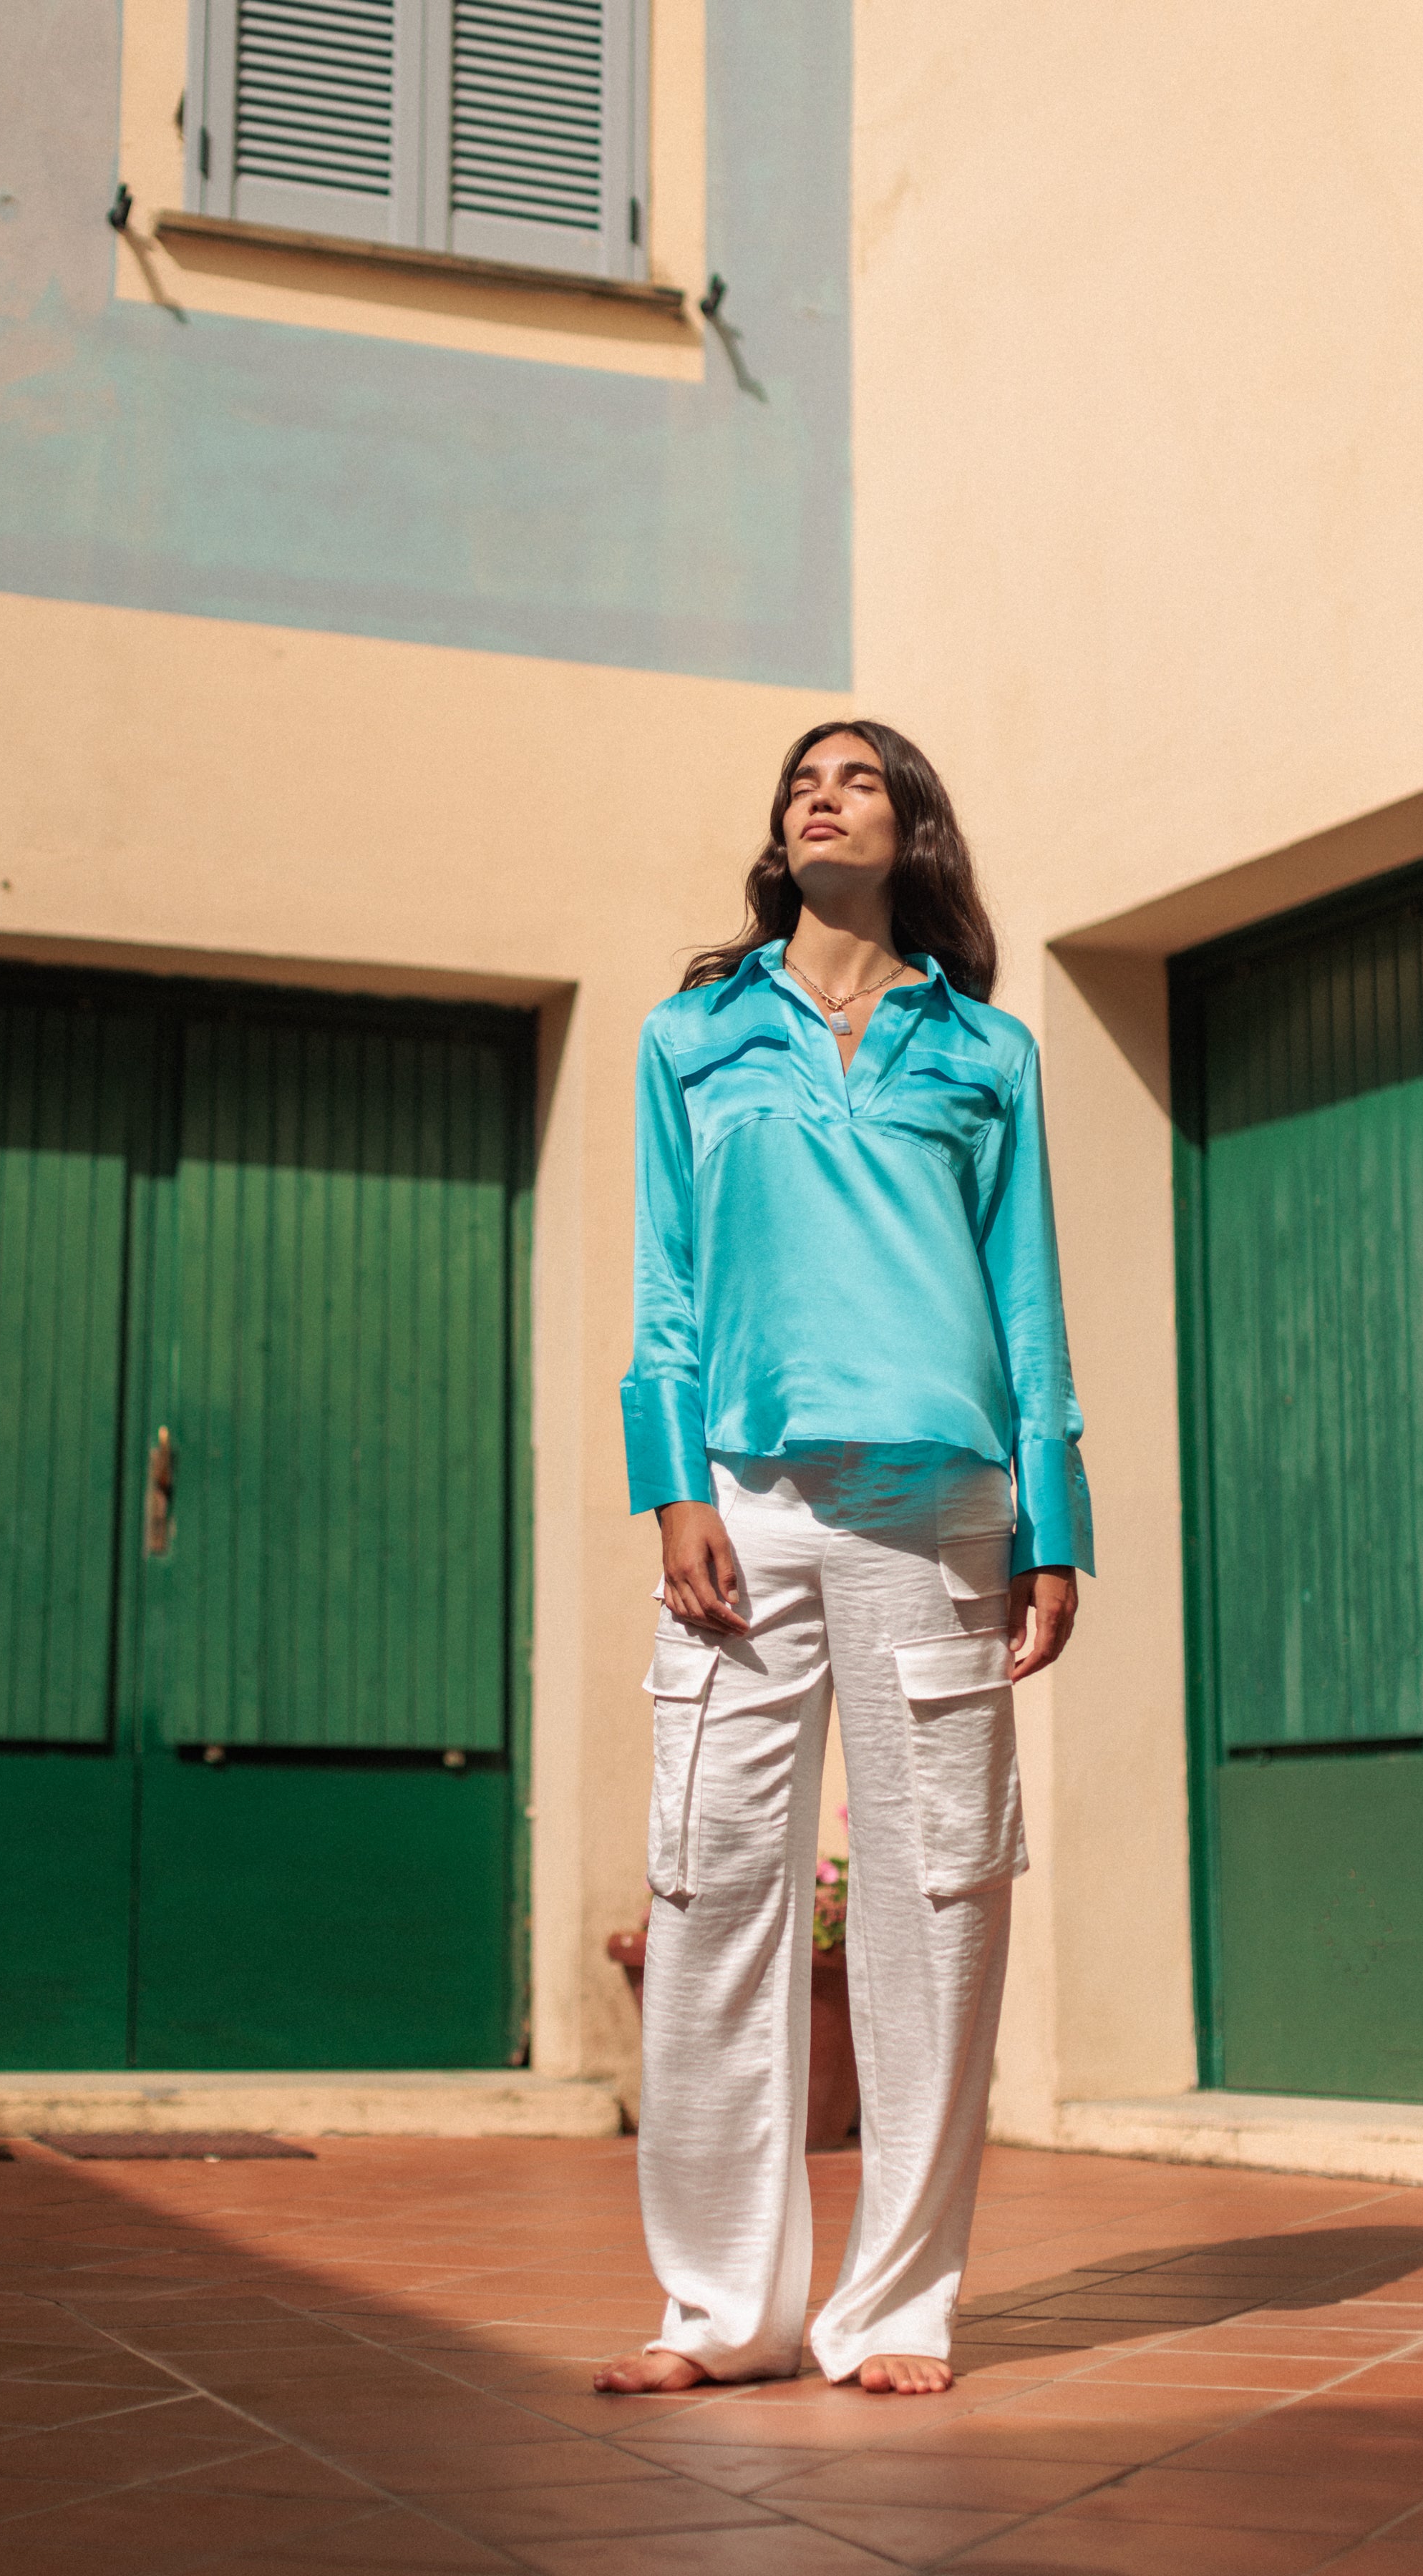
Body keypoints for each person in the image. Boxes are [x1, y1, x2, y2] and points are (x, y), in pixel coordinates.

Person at [595, 719, 1092, 2399]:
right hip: (742, 1500)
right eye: (802, 777)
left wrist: (1055, 1519)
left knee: (936, 1899)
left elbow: (1024, 1294)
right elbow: (663, 1281)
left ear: (911, 830)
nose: (821, 792)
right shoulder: (691, 1033)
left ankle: (889, 2311)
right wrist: (670, 1488)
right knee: (711, 1887)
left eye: (858, 776)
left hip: (941, 1511)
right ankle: (719, 2315)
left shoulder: (991, 1053)